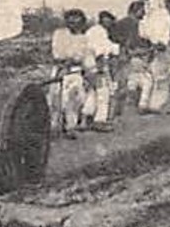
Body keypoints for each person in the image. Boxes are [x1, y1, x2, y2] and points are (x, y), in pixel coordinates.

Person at [48, 9, 93, 137]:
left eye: (77, 21)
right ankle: (54, 126)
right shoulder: (59, 34)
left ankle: (70, 126)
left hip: (75, 71)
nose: (73, 23)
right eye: (70, 20)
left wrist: (86, 70)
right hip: (60, 69)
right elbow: (57, 52)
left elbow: (85, 57)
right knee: (56, 97)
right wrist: (65, 60)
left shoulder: (84, 38)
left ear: (82, 23)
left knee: (73, 98)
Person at [140, 0, 170, 113]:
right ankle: (155, 105)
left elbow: (144, 31)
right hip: (158, 47)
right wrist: (157, 43)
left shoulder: (152, 15)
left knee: (149, 77)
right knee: (161, 78)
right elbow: (158, 33)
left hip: (151, 46)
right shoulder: (163, 16)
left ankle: (143, 103)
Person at [85, 12, 120, 129]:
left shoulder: (100, 31)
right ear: (102, 20)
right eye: (107, 20)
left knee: (93, 92)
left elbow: (111, 48)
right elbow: (99, 51)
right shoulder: (98, 31)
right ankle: (99, 121)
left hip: (92, 64)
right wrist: (100, 68)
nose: (109, 22)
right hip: (96, 64)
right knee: (103, 92)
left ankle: (86, 118)